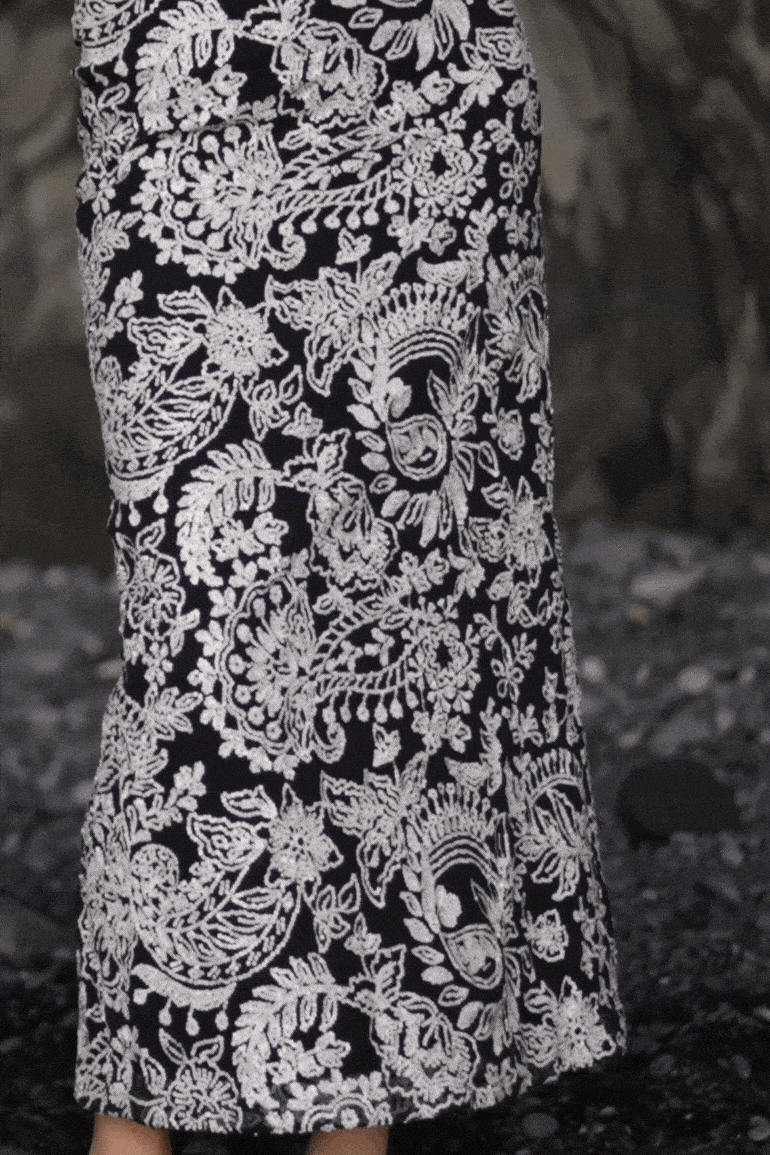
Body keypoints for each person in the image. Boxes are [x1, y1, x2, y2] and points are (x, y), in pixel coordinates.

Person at [68, 0, 627, 1152]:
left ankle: (356, 1111)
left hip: (419, 81)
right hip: (192, 81)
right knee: (206, 617)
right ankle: (136, 1109)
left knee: (406, 601)